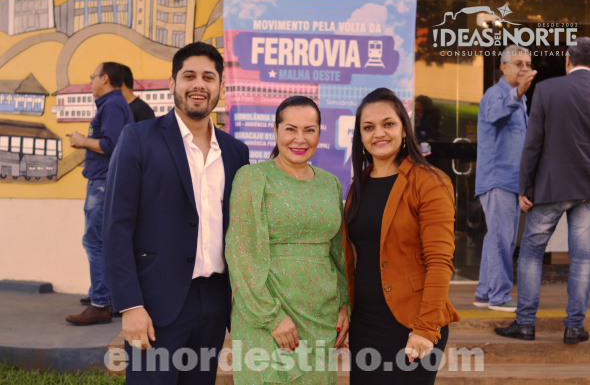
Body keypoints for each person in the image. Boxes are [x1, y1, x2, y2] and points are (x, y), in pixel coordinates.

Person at [102, 42, 249, 384]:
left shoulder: (235, 151)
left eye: (208, 77)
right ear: (172, 84)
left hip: (213, 303)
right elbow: (115, 228)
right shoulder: (138, 138)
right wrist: (129, 304)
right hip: (154, 304)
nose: (199, 84)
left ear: (220, 87)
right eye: (189, 76)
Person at [225, 96, 349, 384]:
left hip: (321, 315)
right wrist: (271, 317)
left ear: (320, 133)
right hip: (267, 317)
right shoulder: (252, 178)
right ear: (276, 131)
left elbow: (339, 252)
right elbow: (241, 252)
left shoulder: (330, 183)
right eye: (291, 129)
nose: (300, 139)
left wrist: (345, 305)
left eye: (310, 130)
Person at [343, 88, 459, 384]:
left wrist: (425, 328)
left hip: (411, 323)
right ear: (360, 136)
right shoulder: (360, 184)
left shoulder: (430, 181)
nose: (378, 133)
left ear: (404, 130)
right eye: (368, 127)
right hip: (365, 323)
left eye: (388, 124)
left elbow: (440, 261)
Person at [495, 37, 590, 344]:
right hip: (587, 191)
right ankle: (574, 327)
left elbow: (533, 143)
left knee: (532, 254)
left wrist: (525, 187)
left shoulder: (548, 90)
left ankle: (525, 324)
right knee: (584, 259)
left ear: (567, 60)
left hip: (550, 187)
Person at [65, 62, 133, 325]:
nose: (91, 81)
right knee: (102, 242)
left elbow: (112, 145)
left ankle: (100, 303)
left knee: (95, 242)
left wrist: (82, 141)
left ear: (104, 78)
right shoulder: (112, 105)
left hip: (103, 182)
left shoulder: (113, 105)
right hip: (103, 182)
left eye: (93, 76)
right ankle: (107, 300)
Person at [473, 45, 537, 312]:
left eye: (527, 64)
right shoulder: (496, 94)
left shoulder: (520, 99)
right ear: (503, 67)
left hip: (512, 181)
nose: (524, 68)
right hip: (498, 179)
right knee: (503, 239)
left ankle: (485, 292)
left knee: (497, 237)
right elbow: (494, 114)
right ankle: (499, 296)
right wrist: (519, 92)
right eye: (518, 63)